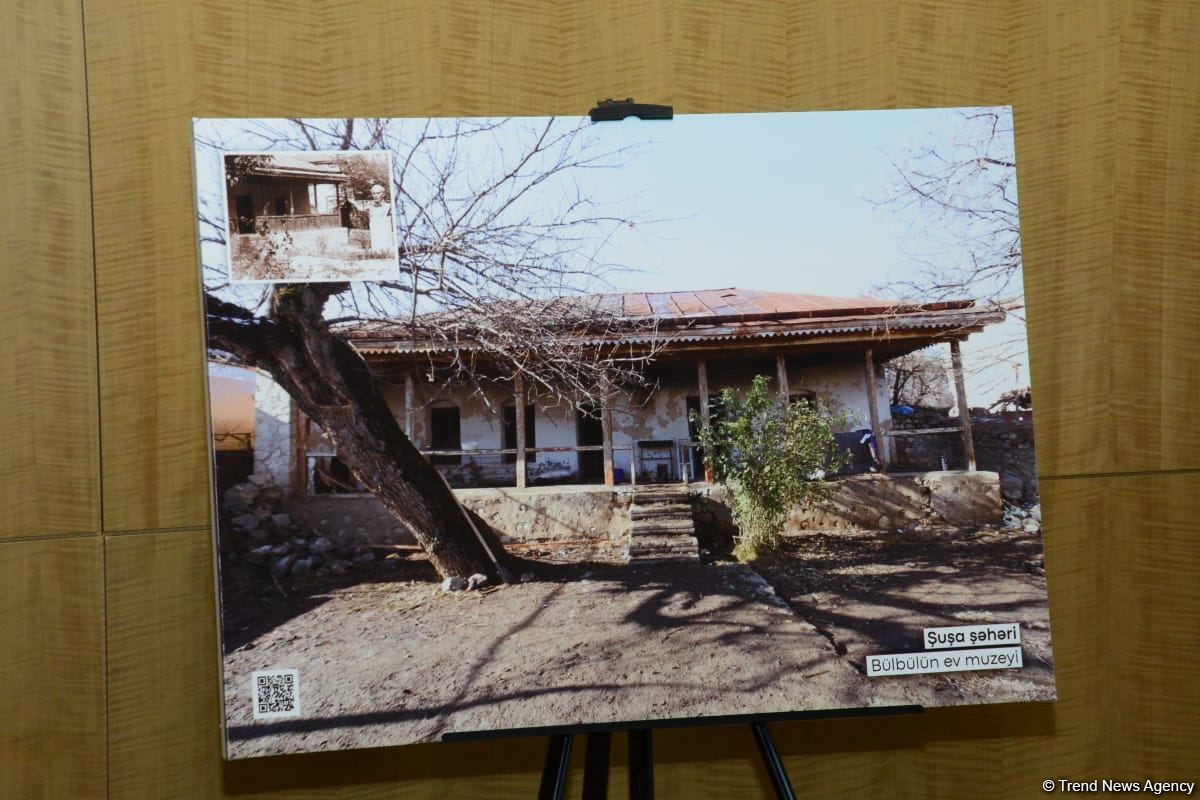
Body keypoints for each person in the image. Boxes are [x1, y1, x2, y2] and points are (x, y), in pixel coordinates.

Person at [365, 183, 394, 252]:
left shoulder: (388, 207)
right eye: (374, 193)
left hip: (386, 241)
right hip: (375, 240)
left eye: (378, 193)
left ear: (383, 194)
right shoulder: (369, 208)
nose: (376, 196)